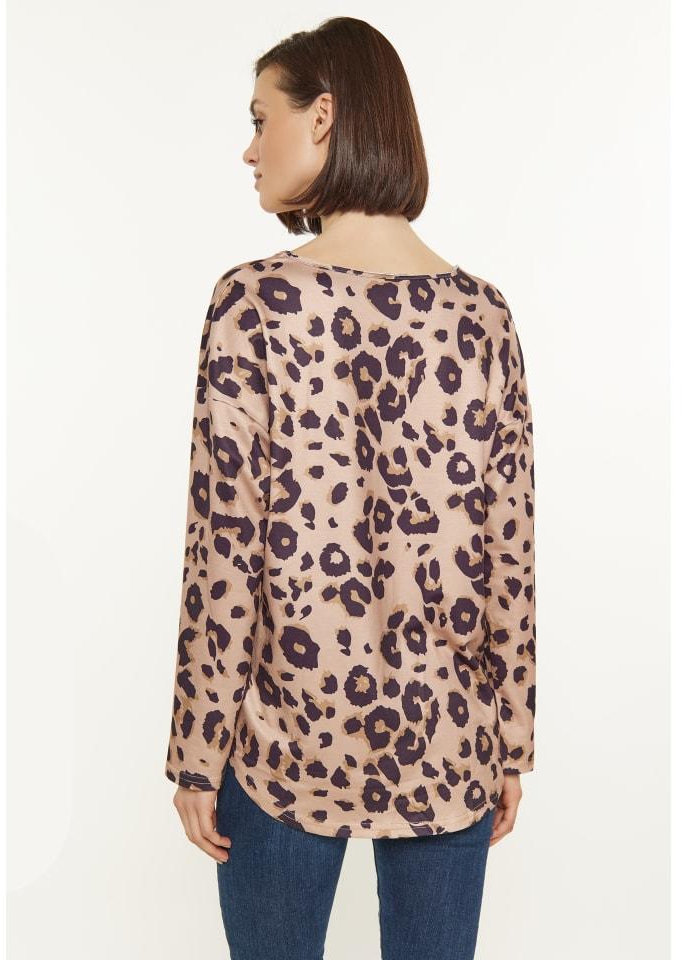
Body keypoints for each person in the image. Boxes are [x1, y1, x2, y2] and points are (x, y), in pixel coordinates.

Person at [165, 15, 536, 960]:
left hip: (283, 739)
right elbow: (510, 549)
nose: (249, 149)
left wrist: (198, 749)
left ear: (322, 116)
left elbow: (224, 545)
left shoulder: (253, 302)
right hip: (449, 736)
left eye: (262, 119)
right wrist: (511, 736)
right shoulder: (483, 317)